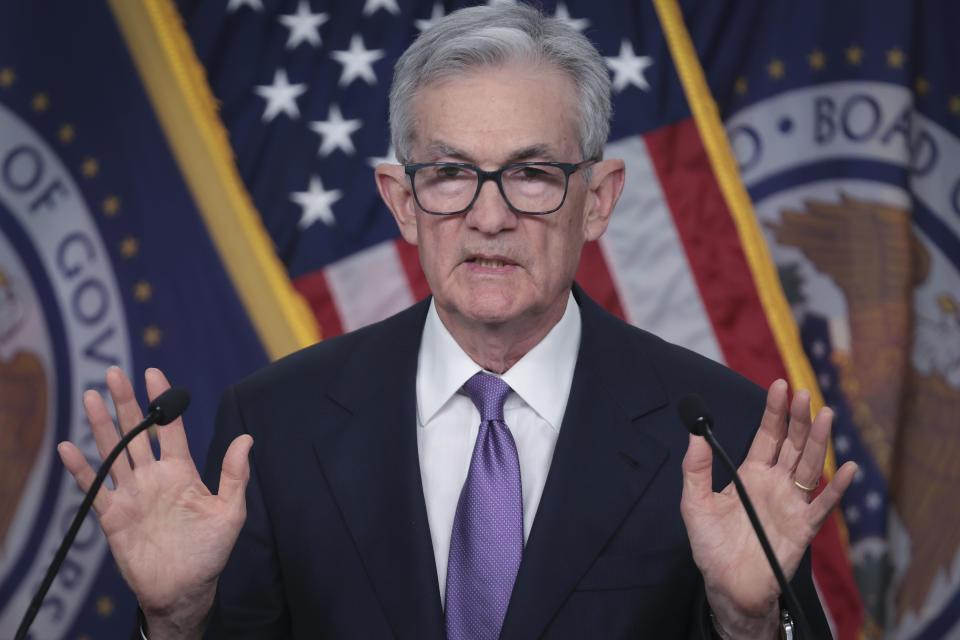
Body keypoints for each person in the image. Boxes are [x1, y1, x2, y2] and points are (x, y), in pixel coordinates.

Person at [58, 4, 856, 639]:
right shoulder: (272, 424)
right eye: (449, 175)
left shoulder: (723, 431)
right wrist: (174, 621)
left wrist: (750, 622)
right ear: (402, 202)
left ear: (600, 201)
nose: (489, 216)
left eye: (533, 174)